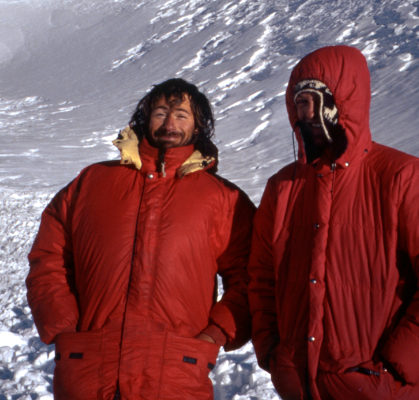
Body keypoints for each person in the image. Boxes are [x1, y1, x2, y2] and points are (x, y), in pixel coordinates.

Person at [248, 45, 419, 400]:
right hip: (301, 386)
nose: (305, 113)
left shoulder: (402, 176)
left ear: (345, 99)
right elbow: (262, 279)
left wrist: (397, 363)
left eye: (314, 99)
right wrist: (272, 353)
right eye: (298, 103)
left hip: (380, 388)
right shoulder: (282, 187)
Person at [26, 78, 255, 400]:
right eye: (161, 113)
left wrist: (215, 334)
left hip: (175, 371)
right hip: (90, 365)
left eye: (182, 115)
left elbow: (251, 276)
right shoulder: (94, 181)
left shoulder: (223, 199)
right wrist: (64, 326)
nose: (170, 123)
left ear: (199, 126)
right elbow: (49, 255)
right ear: (145, 118)